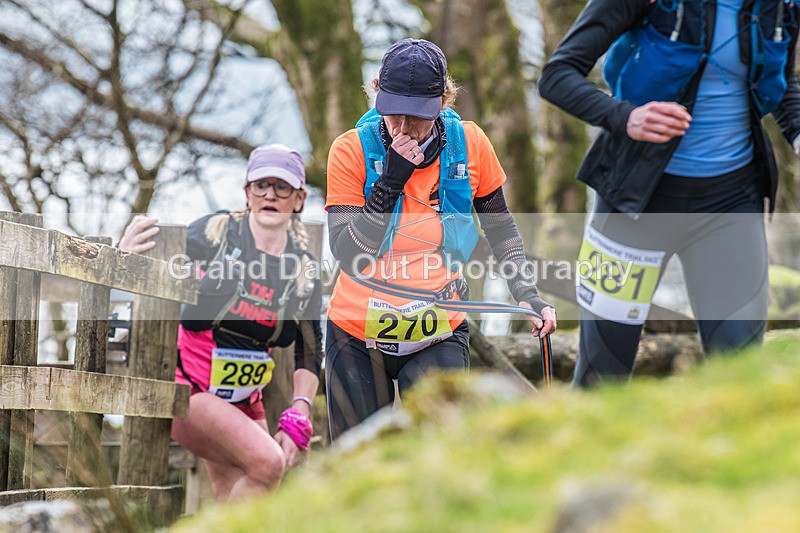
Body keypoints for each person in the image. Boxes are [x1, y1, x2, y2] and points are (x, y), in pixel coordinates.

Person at [538, 1, 800, 387]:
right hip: (632, 205)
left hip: (730, 205)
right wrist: (625, 116)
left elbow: (781, 80)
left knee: (741, 375)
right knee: (601, 378)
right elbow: (556, 75)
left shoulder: (781, 5)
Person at [325, 38, 557, 440]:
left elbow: (500, 227)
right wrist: (391, 179)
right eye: (393, 111)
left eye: (417, 115)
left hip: (438, 328)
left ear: (444, 100)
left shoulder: (470, 144)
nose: (403, 126)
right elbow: (347, 253)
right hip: (356, 333)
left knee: (441, 450)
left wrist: (526, 292)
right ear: (376, 91)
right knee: (357, 459)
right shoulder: (349, 150)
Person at [119, 144, 323, 499]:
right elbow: (157, 265)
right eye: (261, 185)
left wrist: (300, 412)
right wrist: (125, 255)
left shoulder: (303, 269)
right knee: (269, 463)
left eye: (282, 187)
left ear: (300, 198)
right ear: (247, 192)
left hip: (245, 398)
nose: (270, 195)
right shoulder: (214, 233)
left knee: (249, 500)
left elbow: (310, 347)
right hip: (188, 386)